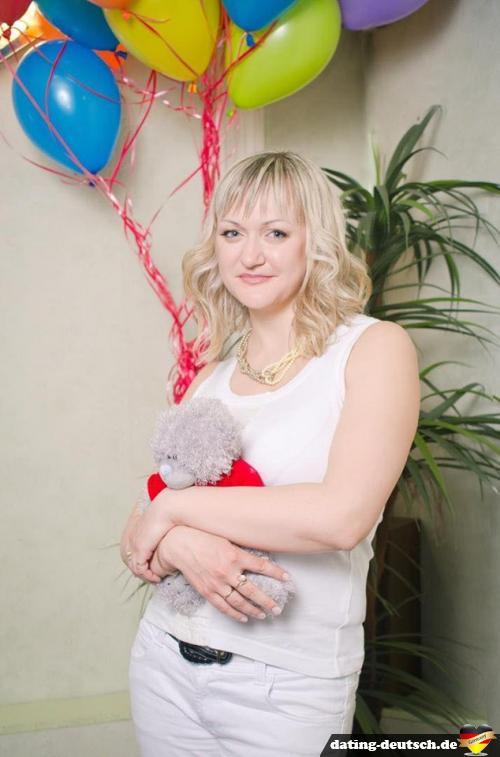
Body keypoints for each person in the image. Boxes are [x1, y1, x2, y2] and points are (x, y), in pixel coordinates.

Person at [120, 150, 420, 756]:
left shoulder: (372, 349)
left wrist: (172, 513)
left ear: (316, 242)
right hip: (163, 661)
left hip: (287, 687)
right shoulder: (211, 375)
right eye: (232, 233)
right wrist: (173, 538)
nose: (250, 255)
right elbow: (143, 529)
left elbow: (340, 518)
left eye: (276, 233)